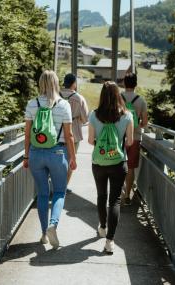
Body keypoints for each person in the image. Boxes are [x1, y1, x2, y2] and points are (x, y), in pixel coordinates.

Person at [23, 70, 77, 249]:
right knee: (59, 191)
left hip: (36, 154)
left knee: (43, 193)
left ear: (41, 83)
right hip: (58, 153)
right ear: (56, 83)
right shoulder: (64, 105)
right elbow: (69, 136)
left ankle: (44, 233)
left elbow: (27, 133)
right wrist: (73, 158)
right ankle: (54, 224)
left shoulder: (32, 104)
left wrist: (26, 155)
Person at [88, 81, 133, 254]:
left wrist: (102, 145)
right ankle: (110, 241)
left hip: (99, 163)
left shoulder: (94, 115)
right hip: (118, 163)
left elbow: (90, 141)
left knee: (101, 195)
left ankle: (102, 227)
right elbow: (129, 142)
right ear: (117, 95)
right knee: (114, 201)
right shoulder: (127, 116)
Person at [121, 73, 147, 205]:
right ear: (135, 84)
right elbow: (145, 122)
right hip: (135, 138)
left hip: (119, 137)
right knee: (130, 168)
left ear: (124, 83)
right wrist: (137, 125)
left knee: (117, 165)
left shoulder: (118, 98)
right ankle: (127, 196)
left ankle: (118, 192)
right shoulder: (141, 100)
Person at [60, 73, 89, 193]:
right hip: (74, 133)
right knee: (71, 159)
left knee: (57, 160)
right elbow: (86, 118)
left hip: (57, 133)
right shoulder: (79, 98)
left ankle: (55, 184)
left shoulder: (56, 96)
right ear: (74, 84)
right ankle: (63, 187)